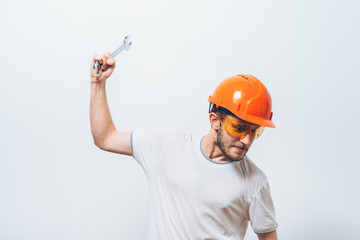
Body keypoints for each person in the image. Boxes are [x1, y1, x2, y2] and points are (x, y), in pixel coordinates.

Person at [90, 52, 279, 240]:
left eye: (255, 131)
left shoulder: (255, 182)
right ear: (214, 120)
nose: (247, 140)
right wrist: (97, 84)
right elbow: (105, 138)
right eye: (239, 128)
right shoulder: (167, 146)